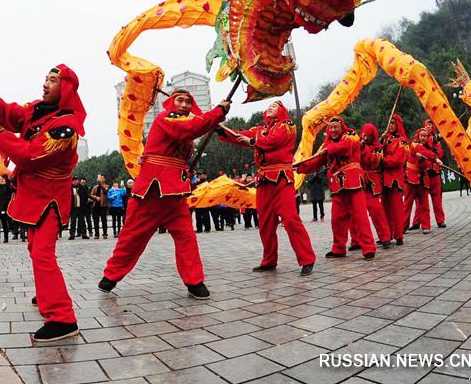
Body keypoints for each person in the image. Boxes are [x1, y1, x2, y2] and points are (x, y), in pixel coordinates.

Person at [0, 64, 85, 342]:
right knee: (36, 248)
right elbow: (12, 114)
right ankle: (48, 295)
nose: (45, 84)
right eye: (45, 78)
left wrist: (0, 136)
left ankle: (63, 318)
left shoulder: (67, 127)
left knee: (43, 253)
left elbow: (30, 156)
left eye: (53, 80)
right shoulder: (37, 109)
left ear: (66, 88)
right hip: (32, 192)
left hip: (49, 196)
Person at [100, 90, 230, 299]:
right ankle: (110, 276)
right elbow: (188, 128)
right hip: (152, 191)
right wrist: (218, 112)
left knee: (187, 237)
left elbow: (188, 137)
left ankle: (194, 281)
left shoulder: (184, 127)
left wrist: (216, 119)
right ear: (170, 103)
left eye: (189, 101)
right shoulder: (165, 118)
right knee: (132, 238)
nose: (185, 104)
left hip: (175, 193)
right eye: (180, 100)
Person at [218, 100, 316, 275]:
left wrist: (252, 140)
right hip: (264, 181)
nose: (270, 108)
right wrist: (220, 127)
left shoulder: (287, 126)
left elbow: (273, 141)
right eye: (268, 106)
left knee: (290, 219)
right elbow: (239, 135)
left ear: (282, 110)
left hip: (281, 180)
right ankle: (269, 260)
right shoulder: (259, 130)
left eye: (274, 105)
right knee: (265, 222)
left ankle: (307, 259)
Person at [295, 116, 376, 260]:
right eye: (330, 127)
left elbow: (347, 147)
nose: (333, 130)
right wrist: (300, 167)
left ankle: (368, 247)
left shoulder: (350, 135)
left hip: (353, 181)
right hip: (337, 185)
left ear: (341, 127)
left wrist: (328, 149)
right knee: (337, 219)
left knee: (360, 216)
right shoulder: (328, 145)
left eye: (335, 127)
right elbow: (317, 161)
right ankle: (338, 248)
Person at [359, 124, 392, 249]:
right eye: (363, 134)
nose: (364, 137)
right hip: (359, 180)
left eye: (367, 135)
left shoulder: (378, 149)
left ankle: (385, 237)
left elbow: (374, 161)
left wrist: (363, 149)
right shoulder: (358, 145)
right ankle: (356, 241)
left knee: (376, 210)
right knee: (356, 213)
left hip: (372, 182)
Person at [403, 127, 437, 234]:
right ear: (418, 136)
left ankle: (426, 225)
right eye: (421, 135)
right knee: (407, 204)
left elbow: (427, 164)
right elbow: (420, 150)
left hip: (422, 178)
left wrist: (425, 160)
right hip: (411, 178)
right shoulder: (414, 145)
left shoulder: (428, 149)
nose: (423, 138)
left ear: (427, 138)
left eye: (425, 136)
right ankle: (402, 228)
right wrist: (435, 158)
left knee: (424, 203)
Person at [381, 114, 408, 245]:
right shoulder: (386, 139)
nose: (391, 125)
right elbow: (377, 150)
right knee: (384, 208)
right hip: (384, 178)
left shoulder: (402, 141)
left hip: (395, 178)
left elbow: (398, 160)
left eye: (393, 123)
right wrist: (382, 142)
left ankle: (399, 235)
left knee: (397, 208)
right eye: (389, 122)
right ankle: (387, 234)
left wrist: (383, 161)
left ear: (398, 124)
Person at [421, 119, 446, 229]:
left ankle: (440, 220)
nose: (429, 127)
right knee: (422, 200)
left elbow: (440, 154)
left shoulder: (437, 140)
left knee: (437, 199)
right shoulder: (420, 137)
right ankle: (419, 222)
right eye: (427, 125)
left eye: (430, 125)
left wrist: (434, 149)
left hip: (435, 172)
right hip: (424, 172)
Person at [89, 174, 109, 239]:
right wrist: (95, 197)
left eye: (102, 178)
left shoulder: (106, 186)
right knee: (95, 221)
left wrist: (100, 184)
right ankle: (97, 234)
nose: (100, 179)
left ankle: (105, 234)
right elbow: (91, 195)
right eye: (100, 178)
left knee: (104, 220)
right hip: (95, 206)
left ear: (104, 179)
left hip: (103, 205)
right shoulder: (95, 187)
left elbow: (105, 191)